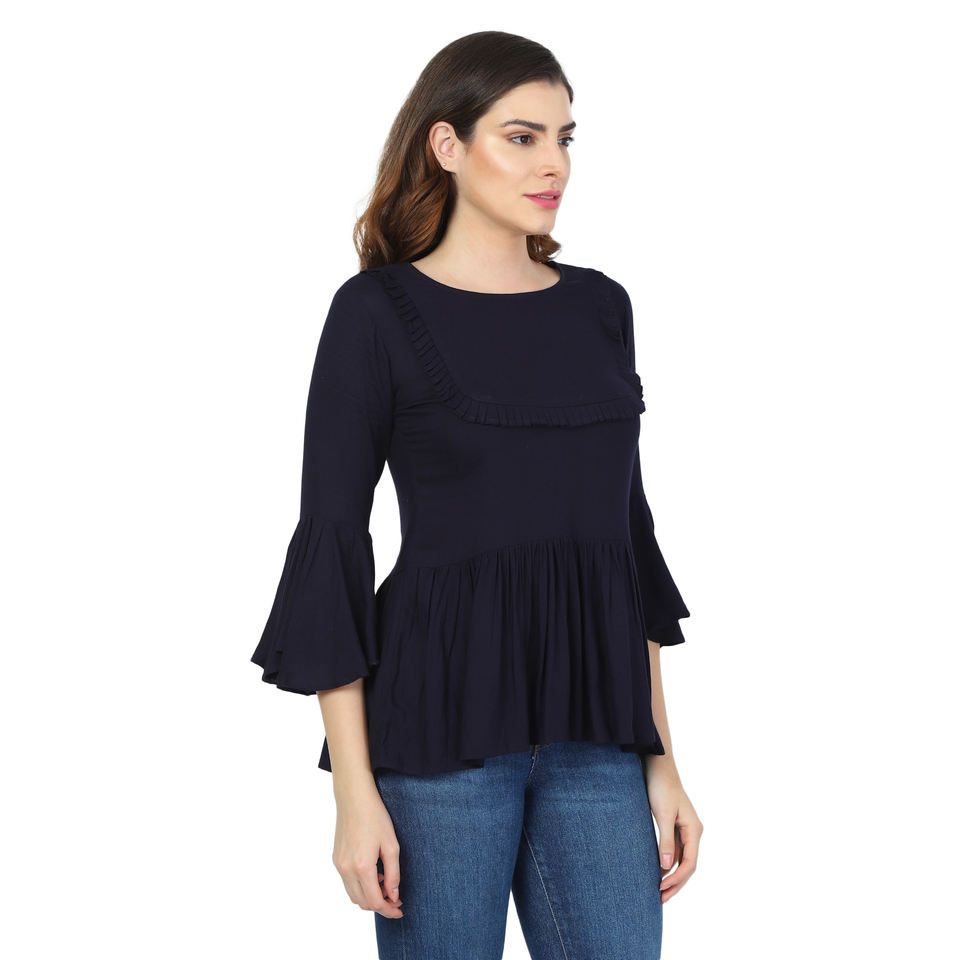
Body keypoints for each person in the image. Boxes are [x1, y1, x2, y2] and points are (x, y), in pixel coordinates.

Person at [250, 30, 703, 960]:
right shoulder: (375, 313)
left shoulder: (601, 306)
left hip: (597, 743)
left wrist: (662, 762)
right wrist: (354, 795)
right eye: (522, 137)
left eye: (565, 138)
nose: (553, 164)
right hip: (437, 741)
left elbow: (625, 543)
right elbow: (334, 541)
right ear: (447, 145)